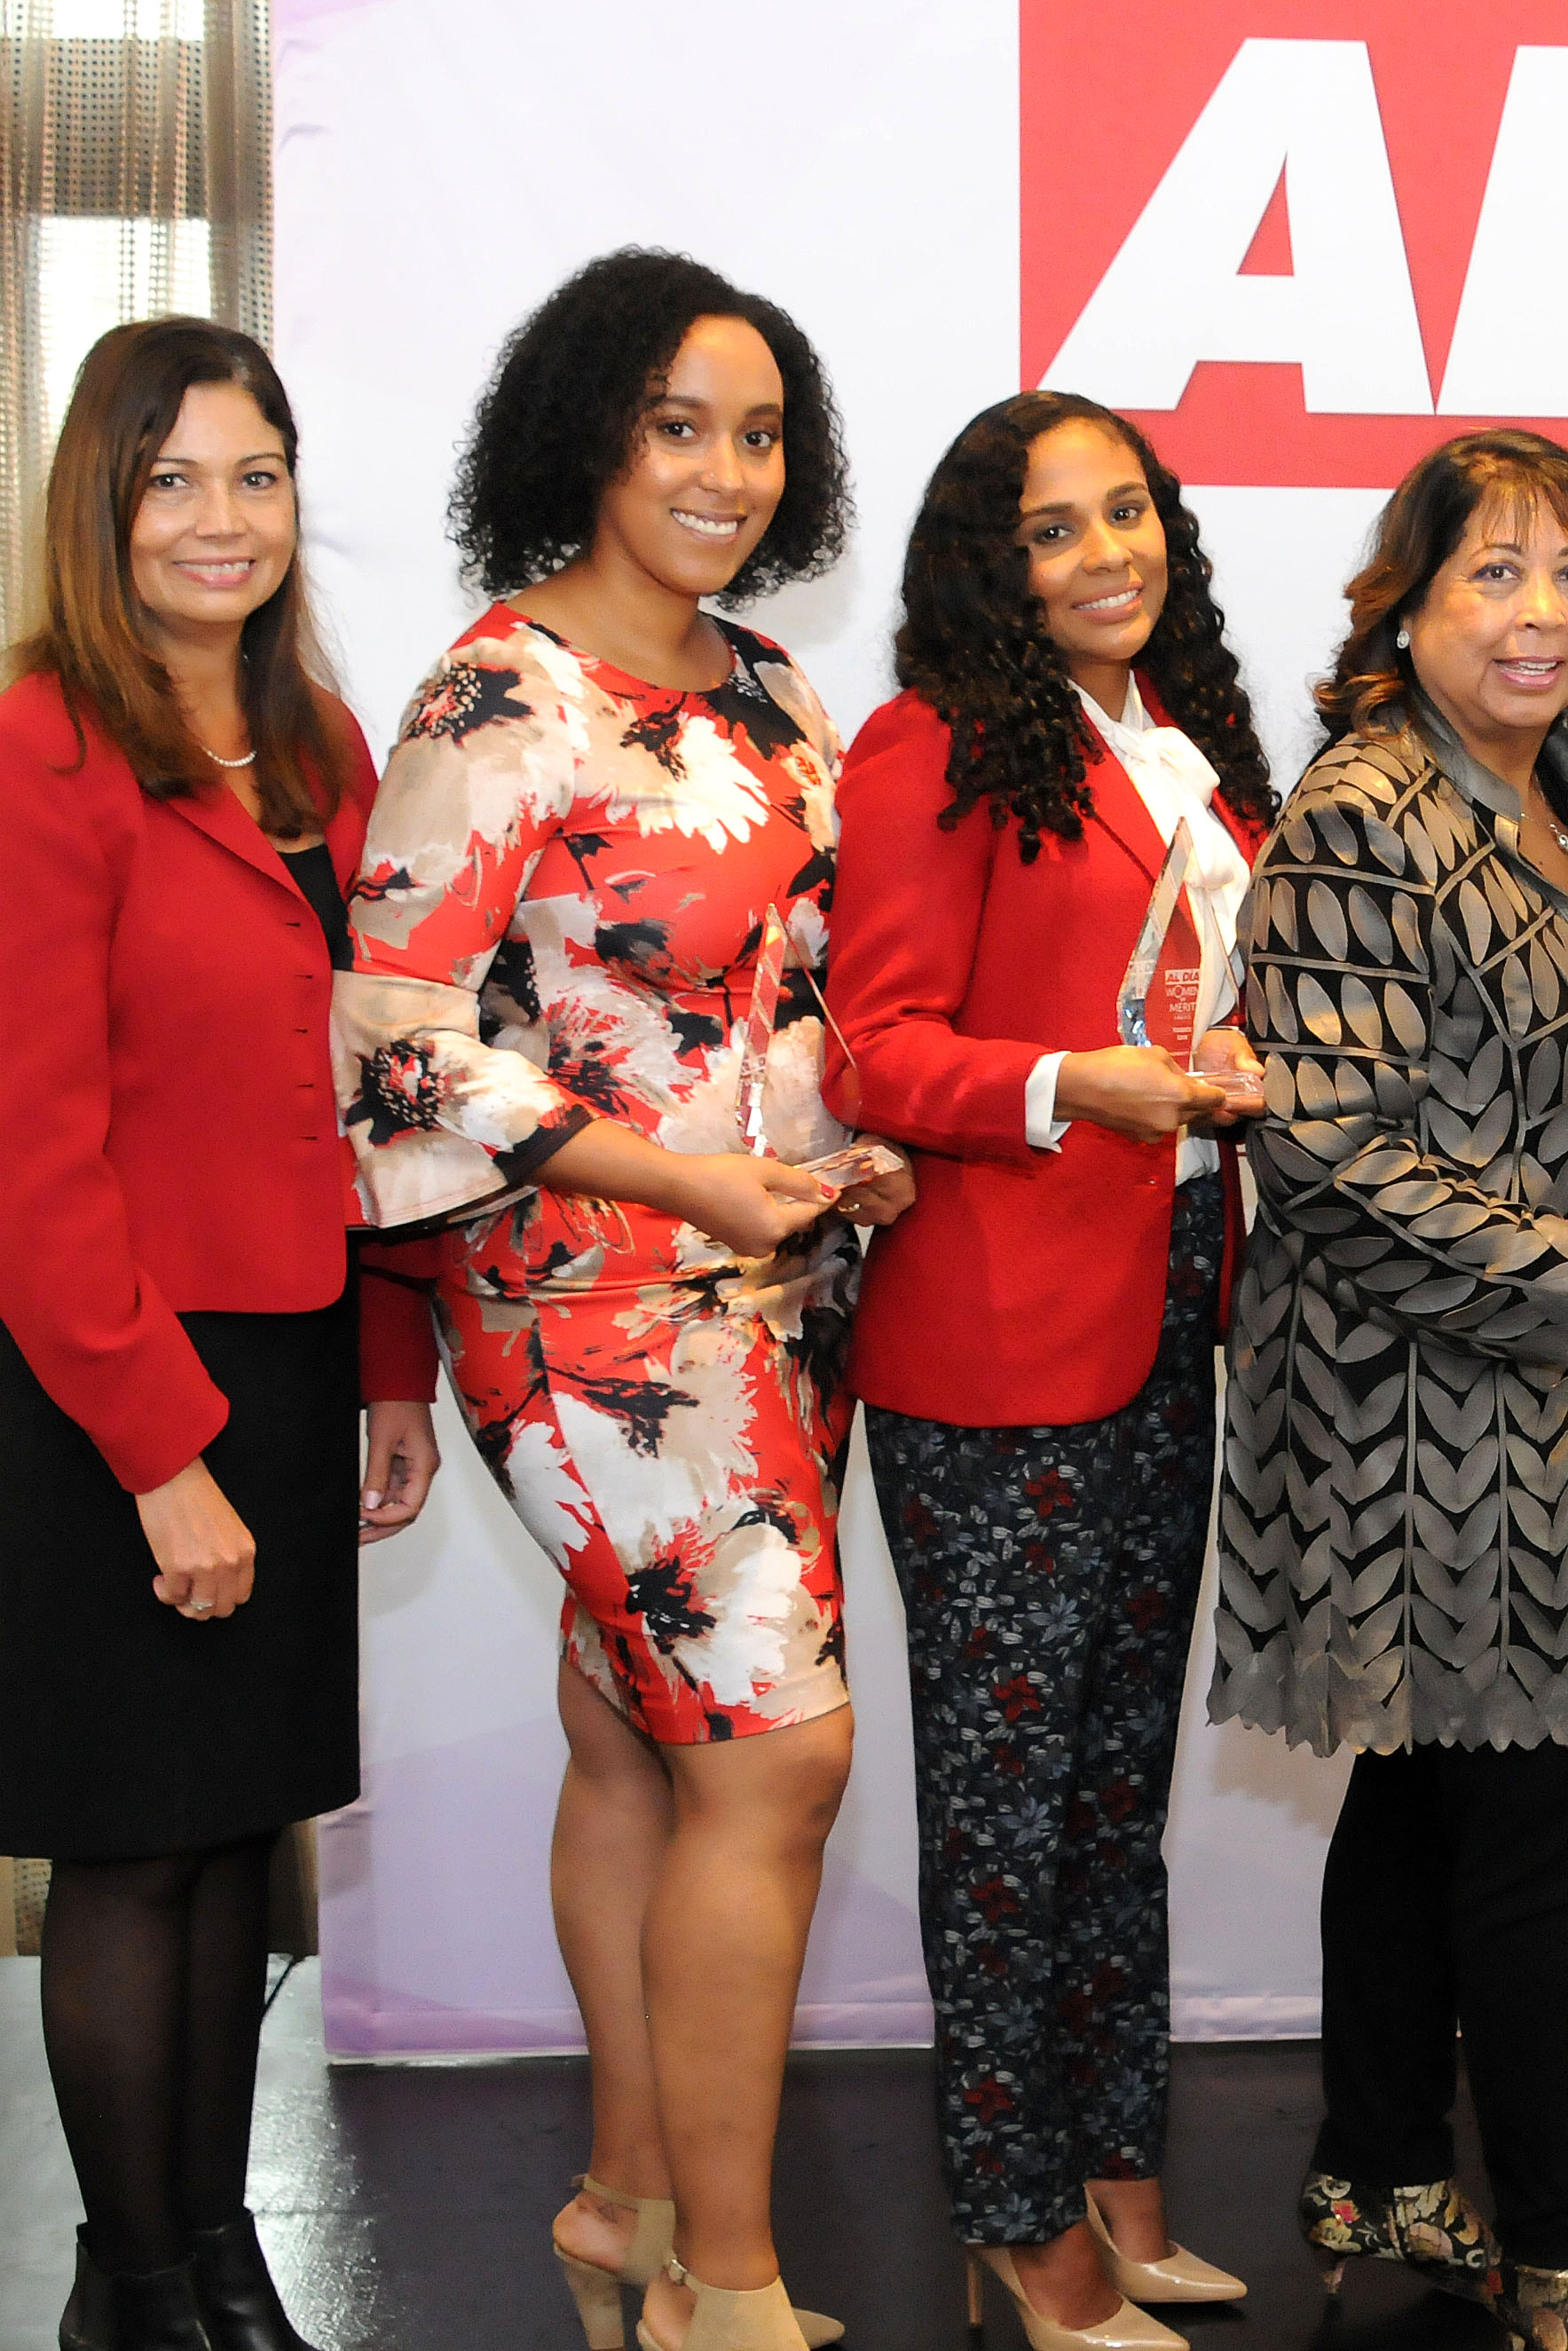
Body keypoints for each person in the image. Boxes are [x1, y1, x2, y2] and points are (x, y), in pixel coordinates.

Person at [335, 250, 909, 2351]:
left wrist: (859, 1133)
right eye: (680, 423)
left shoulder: (771, 688)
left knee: (640, 1745)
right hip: (586, 1310)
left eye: (759, 433)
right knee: (775, 1764)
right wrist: (675, 1168)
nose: (725, 471)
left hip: (779, 1297)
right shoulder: (500, 696)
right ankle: (725, 2290)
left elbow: (798, 995)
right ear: (588, 433)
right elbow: (395, 1032)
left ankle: (622, 2201)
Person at [1209, 428, 1568, 2351]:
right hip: (1407, 1403)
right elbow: (1329, 1153)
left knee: (1430, 1798)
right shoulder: (1368, 808)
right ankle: (1563, 2249)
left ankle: (1377, 2161)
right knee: (1550, 1824)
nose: (1538, 612)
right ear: (1408, 603)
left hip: (1552, 1383)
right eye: (1492, 572)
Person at [0, 320, 441, 2351]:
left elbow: (346, 1096)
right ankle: (138, 2274)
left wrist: (382, 1367)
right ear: (103, 501)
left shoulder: (323, 746)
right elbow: (33, 1145)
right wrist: (159, 1449)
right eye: (172, 477)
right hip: (111, 1371)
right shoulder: (38, 740)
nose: (219, 516)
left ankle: (198, 2256)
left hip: (282, 1346)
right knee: (130, 1843)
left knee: (233, 1826)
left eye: (254, 473)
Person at [828, 392, 1282, 2351]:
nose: (1109, 551)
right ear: (981, 560)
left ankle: (1112, 2164)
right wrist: (1059, 1084)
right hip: (996, 1328)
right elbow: (873, 1047)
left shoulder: (1171, 746)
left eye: (1130, 511)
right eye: (1053, 526)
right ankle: (1017, 2216)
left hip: (1170, 1289)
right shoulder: (931, 741)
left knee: (1109, 1785)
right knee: (1009, 1806)